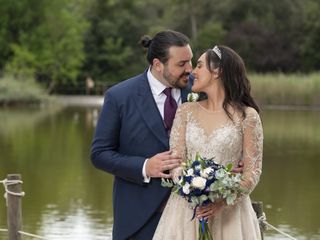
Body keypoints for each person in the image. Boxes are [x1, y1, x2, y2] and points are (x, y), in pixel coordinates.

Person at [90, 30, 193, 240]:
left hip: (193, 216)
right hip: (139, 219)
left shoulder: (200, 91)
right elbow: (99, 154)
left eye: (190, 61)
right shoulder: (119, 97)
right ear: (157, 64)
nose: (190, 69)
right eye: (181, 64)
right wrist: (145, 166)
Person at [153, 45, 263, 240]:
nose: (193, 72)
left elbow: (252, 172)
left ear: (217, 72)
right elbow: (176, 161)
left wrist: (222, 203)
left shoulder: (248, 116)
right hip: (185, 210)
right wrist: (191, 187)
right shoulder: (185, 111)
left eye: (199, 66)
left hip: (231, 215)